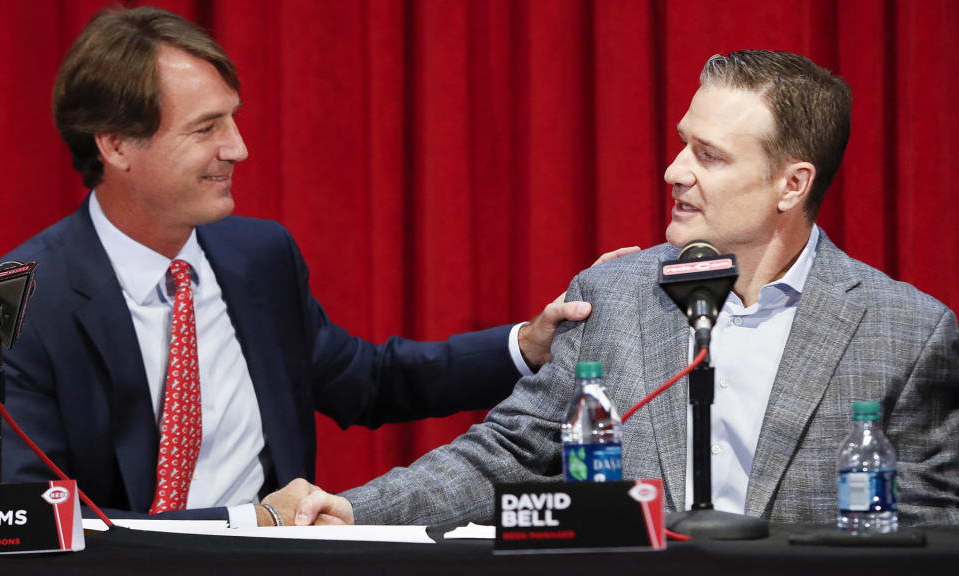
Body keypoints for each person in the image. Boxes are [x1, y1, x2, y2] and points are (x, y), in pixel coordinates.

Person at [0, 6, 633, 527]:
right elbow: (33, 523)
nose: (239, 148)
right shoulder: (7, 308)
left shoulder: (258, 258)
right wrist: (257, 523)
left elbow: (370, 382)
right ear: (118, 145)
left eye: (233, 120)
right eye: (206, 128)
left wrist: (527, 344)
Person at [275, 50, 959, 528]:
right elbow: (506, 452)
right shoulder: (614, 295)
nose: (673, 170)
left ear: (792, 184)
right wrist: (360, 508)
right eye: (682, 143)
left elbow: (930, 531)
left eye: (709, 156)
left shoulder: (907, 333)